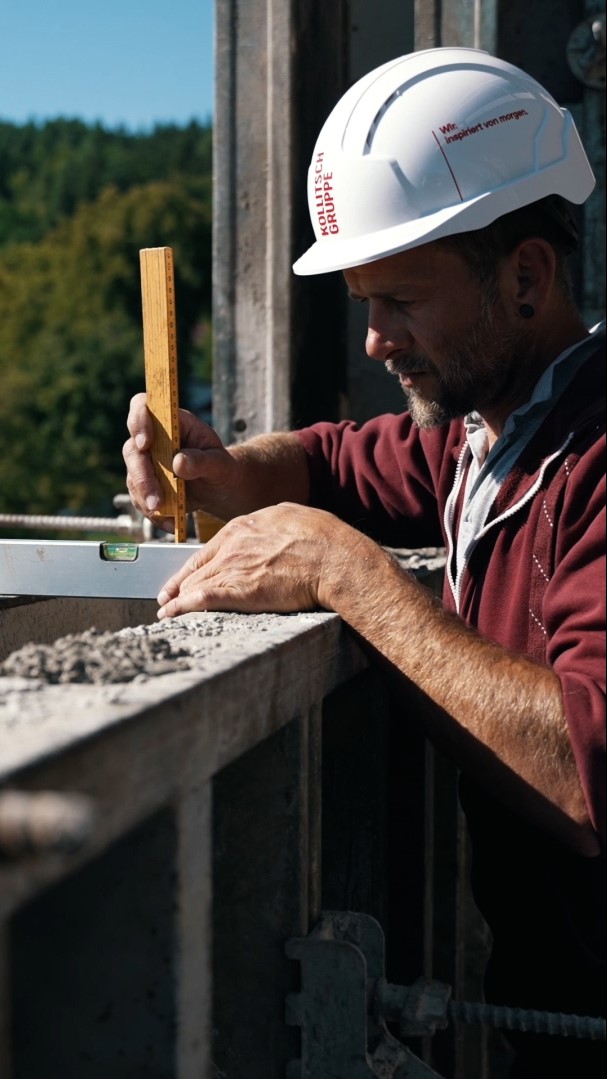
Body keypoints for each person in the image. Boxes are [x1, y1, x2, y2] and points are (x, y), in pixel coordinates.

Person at [124, 48, 605, 1076]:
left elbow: (582, 770)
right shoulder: (494, 434)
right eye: (361, 301)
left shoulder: (596, 454)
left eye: (400, 300)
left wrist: (348, 576)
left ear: (525, 276)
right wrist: (218, 467)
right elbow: (337, 462)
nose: (376, 339)